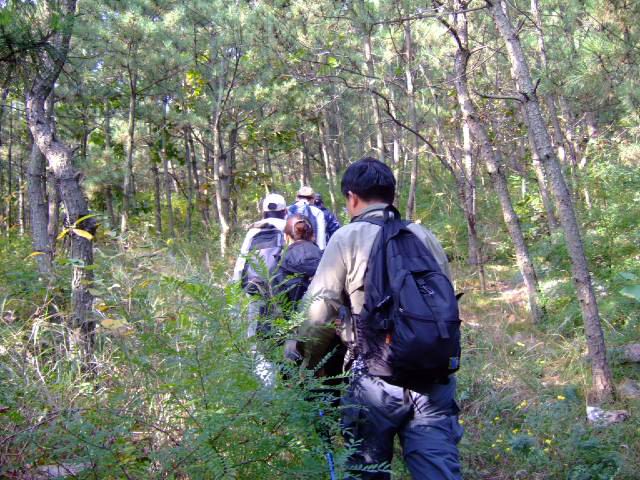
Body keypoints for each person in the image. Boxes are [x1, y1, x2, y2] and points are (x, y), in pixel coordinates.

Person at [297, 158, 463, 479]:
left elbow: (317, 316)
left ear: (352, 197)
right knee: (439, 472)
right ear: (391, 194)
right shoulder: (423, 235)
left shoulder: (346, 237)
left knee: (366, 471)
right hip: (432, 377)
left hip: (373, 379)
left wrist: (308, 366)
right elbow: (446, 303)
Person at [232, 193, 287, 388]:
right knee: (284, 332)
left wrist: (237, 290)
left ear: (263, 212)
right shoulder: (288, 228)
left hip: (255, 290)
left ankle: (265, 383)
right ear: (285, 211)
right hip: (282, 292)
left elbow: (241, 264)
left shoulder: (254, 231)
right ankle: (286, 380)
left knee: (256, 336)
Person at [287, 186, 327, 250]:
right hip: (311, 250)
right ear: (313, 199)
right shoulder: (317, 212)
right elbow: (321, 237)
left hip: (291, 250)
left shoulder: (287, 210)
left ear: (297, 197)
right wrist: (321, 251)